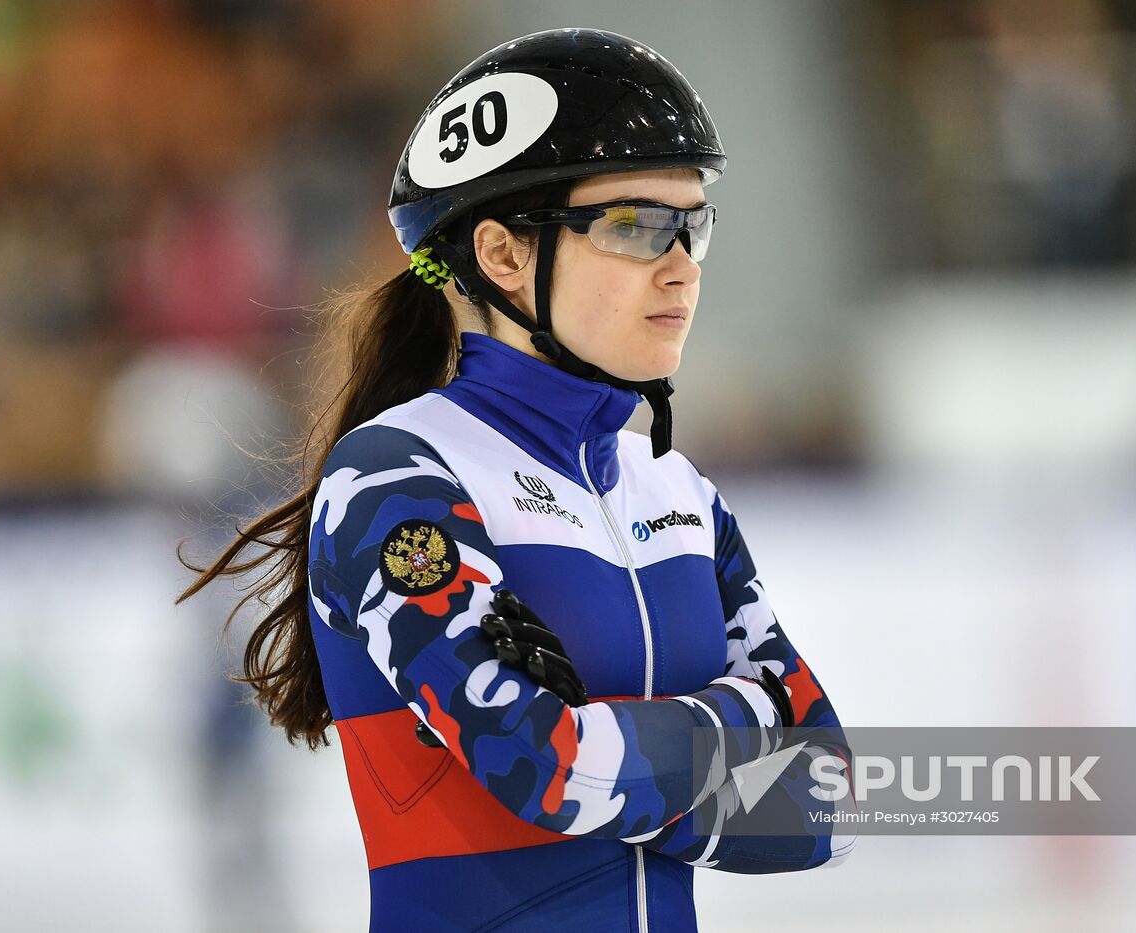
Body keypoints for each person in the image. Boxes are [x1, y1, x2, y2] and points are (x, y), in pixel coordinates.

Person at [181, 27, 853, 932]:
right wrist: (740, 718)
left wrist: (610, 742)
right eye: (634, 224)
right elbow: (543, 767)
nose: (682, 263)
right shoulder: (396, 476)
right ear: (501, 256)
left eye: (694, 222)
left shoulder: (678, 493)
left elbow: (831, 795)